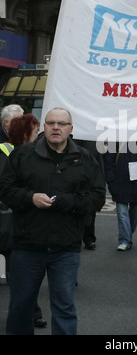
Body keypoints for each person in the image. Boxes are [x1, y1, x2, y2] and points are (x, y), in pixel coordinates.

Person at [0, 108, 106, 335]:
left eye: (61, 123)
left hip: (65, 247)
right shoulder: (22, 155)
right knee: (20, 307)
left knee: (64, 308)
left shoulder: (85, 159)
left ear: (71, 129)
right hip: (27, 245)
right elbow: (6, 190)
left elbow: (96, 198)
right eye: (50, 123)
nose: (56, 127)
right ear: (44, 127)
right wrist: (30, 198)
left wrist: (66, 202)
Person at [0, 113, 47, 329]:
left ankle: (31, 313)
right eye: (36, 130)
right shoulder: (11, 154)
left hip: (15, 220)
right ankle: (29, 314)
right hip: (10, 220)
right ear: (26, 132)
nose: (39, 134)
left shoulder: (34, 153)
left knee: (19, 275)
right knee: (19, 275)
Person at [104, 141, 137, 251]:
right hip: (120, 182)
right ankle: (125, 240)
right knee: (122, 213)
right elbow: (108, 162)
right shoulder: (116, 139)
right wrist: (111, 181)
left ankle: (127, 235)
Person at [73, 139, 106, 251]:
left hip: (88, 185)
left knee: (89, 214)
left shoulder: (93, 143)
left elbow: (99, 166)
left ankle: (89, 238)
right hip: (73, 184)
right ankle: (81, 239)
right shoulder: (69, 142)